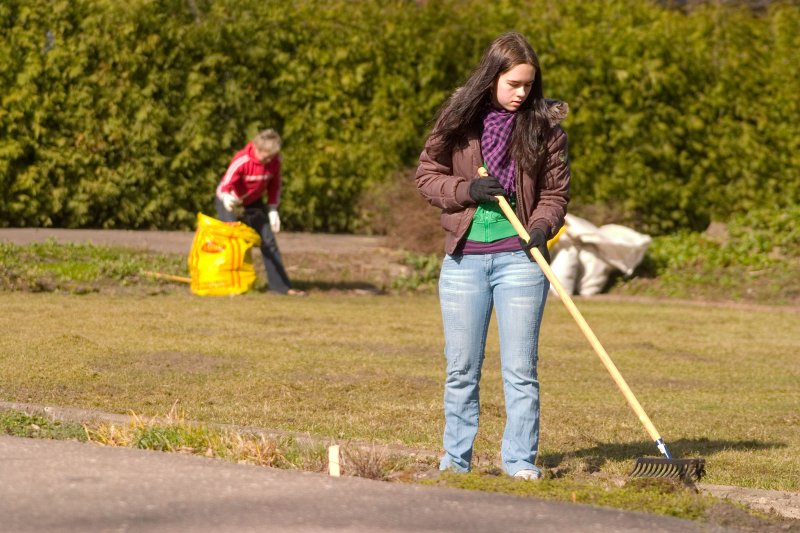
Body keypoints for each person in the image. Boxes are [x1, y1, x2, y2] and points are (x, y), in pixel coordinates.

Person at [415, 32, 570, 480]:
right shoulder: (459, 120)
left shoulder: (545, 128)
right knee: (462, 368)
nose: (521, 93)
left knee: (521, 370)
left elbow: (555, 193)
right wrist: (467, 190)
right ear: (492, 76)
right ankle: (455, 462)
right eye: (513, 84)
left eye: (528, 84)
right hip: (464, 261)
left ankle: (519, 461)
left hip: (520, 261)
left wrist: (541, 227)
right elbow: (427, 176)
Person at [215, 129, 304, 296]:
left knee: (268, 240)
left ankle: (280, 287)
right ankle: (229, 283)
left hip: (252, 201)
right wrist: (227, 197)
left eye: (272, 156)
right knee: (233, 240)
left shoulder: (274, 162)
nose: (268, 159)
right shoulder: (242, 159)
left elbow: (274, 186)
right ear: (256, 147)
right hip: (229, 198)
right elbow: (228, 181)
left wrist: (272, 209)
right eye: (266, 155)